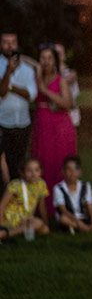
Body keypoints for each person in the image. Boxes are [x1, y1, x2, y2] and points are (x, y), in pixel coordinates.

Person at [31, 44, 78, 205]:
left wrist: (45, 91)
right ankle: (42, 206)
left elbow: (68, 103)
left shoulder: (61, 80)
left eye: (50, 58)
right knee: (41, 162)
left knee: (57, 163)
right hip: (42, 126)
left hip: (59, 126)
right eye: (43, 58)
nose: (46, 62)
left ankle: (61, 205)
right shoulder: (35, 79)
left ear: (55, 61)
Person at [0, 30, 38, 186]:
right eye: (6, 42)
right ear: (1, 45)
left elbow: (31, 95)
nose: (9, 46)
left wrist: (9, 86)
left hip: (23, 124)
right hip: (2, 123)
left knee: (19, 165)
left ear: (17, 44)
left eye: (12, 42)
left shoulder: (27, 69)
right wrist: (8, 72)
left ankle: (18, 201)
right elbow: (2, 93)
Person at [0, 158, 51, 241]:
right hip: (11, 218)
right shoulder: (15, 185)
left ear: (41, 172)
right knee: (37, 223)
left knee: (45, 230)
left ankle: (8, 233)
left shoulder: (41, 184)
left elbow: (42, 206)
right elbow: (2, 206)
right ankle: (5, 233)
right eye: (29, 171)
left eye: (36, 170)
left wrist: (46, 223)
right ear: (22, 173)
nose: (33, 174)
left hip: (26, 218)